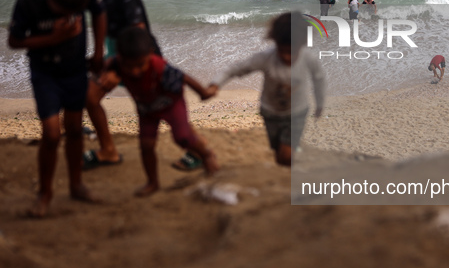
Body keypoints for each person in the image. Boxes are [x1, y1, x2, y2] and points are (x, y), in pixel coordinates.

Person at [8, 0, 106, 217]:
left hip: (74, 70)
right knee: (51, 134)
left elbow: (99, 12)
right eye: (65, 12)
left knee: (74, 128)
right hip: (45, 72)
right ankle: (45, 193)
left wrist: (97, 53)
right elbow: (15, 41)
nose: (71, 16)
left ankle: (76, 185)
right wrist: (54, 37)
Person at [101, 26, 220, 196]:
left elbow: (183, 77)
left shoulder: (160, 67)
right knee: (146, 145)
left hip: (172, 104)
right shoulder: (115, 64)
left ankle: (207, 155)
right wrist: (106, 75)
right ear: (119, 57)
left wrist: (203, 92)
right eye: (129, 66)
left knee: (183, 137)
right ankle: (152, 182)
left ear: (150, 54)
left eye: (140, 65)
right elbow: (102, 71)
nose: (135, 71)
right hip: (146, 110)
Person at [82, 0, 163, 169]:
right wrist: (98, 58)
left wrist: (117, 68)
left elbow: (139, 35)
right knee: (90, 96)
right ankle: (108, 150)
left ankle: (196, 148)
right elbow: (101, 23)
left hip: (140, 59)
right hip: (116, 57)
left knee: (157, 110)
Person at [207, 12, 326, 166]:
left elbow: (319, 79)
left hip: (296, 112)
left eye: (291, 52)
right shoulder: (266, 58)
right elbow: (235, 69)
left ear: (302, 44)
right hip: (270, 112)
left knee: (286, 154)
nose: (286, 57)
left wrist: (320, 103)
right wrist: (215, 84)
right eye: (282, 51)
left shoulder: (308, 58)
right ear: (275, 42)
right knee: (278, 152)